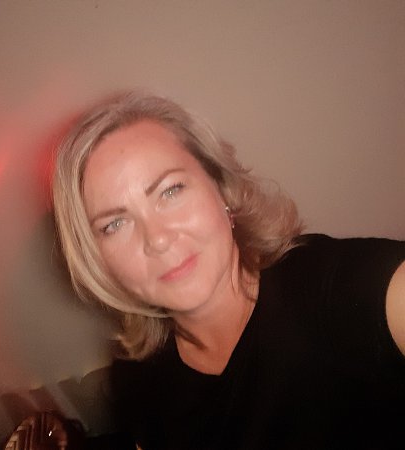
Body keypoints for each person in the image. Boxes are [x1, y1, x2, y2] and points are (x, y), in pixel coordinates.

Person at [52, 91, 405, 449]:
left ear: (222, 189)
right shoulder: (136, 378)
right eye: (114, 224)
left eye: (171, 191)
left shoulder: (335, 288)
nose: (157, 239)